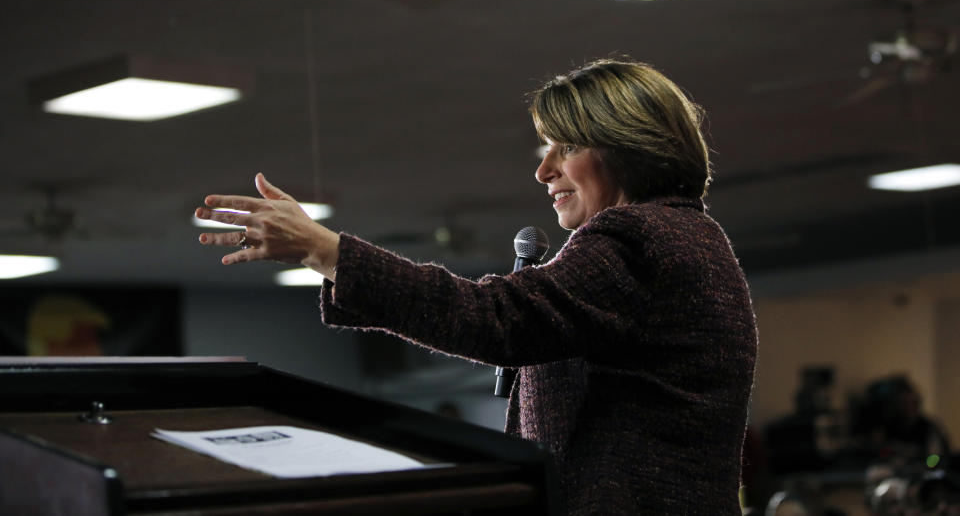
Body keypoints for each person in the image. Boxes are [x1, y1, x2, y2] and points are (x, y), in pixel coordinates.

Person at [196, 58, 758, 514]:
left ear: (625, 145)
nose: (544, 171)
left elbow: (497, 320)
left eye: (565, 148)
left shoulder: (640, 237)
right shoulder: (686, 237)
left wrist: (325, 250)